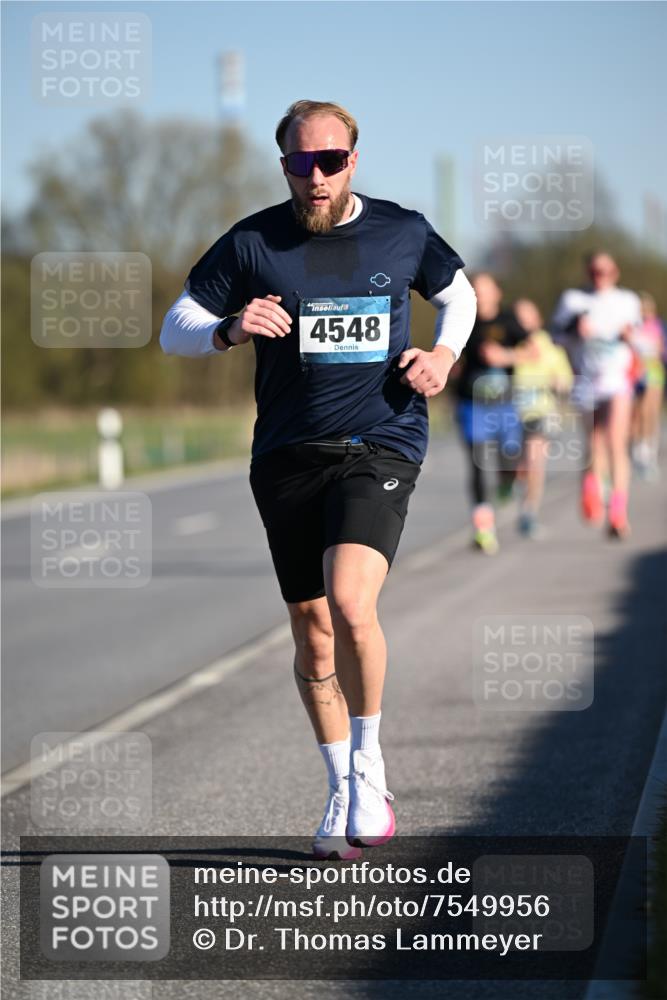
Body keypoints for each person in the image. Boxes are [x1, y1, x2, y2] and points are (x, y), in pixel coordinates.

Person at [160, 100, 476, 859]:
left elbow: (457, 294)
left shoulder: (401, 230)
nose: (316, 177)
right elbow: (176, 327)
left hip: (382, 440)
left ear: (353, 161)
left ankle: (370, 764)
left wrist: (443, 356)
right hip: (285, 455)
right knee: (311, 628)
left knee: (348, 600)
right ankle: (340, 782)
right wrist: (230, 329)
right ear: (284, 167)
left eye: (329, 161)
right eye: (301, 163)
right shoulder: (251, 243)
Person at [551, 252, 641, 538]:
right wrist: (575, 331)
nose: (600, 276)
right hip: (586, 381)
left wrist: (631, 338)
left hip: (617, 380)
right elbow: (555, 335)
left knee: (616, 441)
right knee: (593, 444)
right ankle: (591, 486)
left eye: (605, 271)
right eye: (594, 271)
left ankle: (618, 511)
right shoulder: (574, 300)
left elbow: (641, 340)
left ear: (615, 272)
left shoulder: (628, 301)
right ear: (588, 272)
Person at [453, 273, 532, 554]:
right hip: (471, 402)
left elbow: (534, 351)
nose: (482, 295)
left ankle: (507, 486)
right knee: (477, 462)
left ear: (498, 292)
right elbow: (449, 353)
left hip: (505, 403)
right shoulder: (463, 318)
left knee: (509, 460)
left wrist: (505, 357)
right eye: (477, 290)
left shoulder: (509, 320)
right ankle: (483, 527)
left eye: (487, 290)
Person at [512, 298, 573, 538]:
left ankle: (529, 513)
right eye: (519, 316)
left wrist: (560, 382)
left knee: (536, 462)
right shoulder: (511, 346)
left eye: (528, 316)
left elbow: (566, 380)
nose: (524, 321)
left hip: (541, 411)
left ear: (538, 320)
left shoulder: (551, 348)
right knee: (519, 466)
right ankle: (517, 489)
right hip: (512, 412)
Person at [630, 292, 666, 480]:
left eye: (648, 309)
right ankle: (638, 448)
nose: (646, 313)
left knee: (651, 412)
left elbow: (661, 349)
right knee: (638, 412)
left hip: (654, 371)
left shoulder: (657, 325)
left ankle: (648, 450)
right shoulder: (634, 326)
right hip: (636, 372)